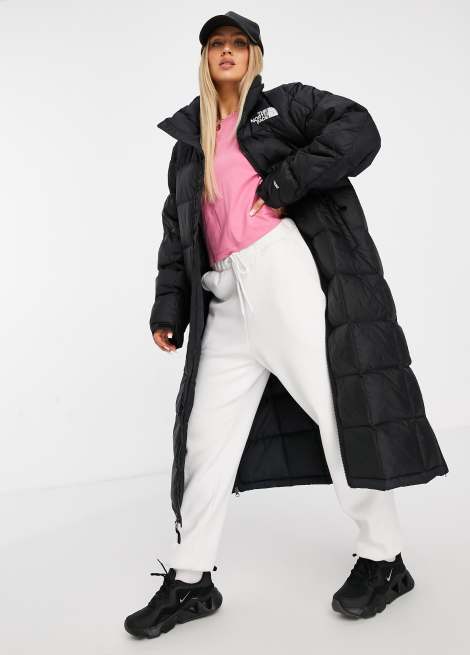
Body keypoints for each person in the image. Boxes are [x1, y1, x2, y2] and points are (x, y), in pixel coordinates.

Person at [124, 10, 447, 639]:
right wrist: (169, 307)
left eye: (238, 43)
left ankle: (384, 559)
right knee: (204, 439)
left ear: (255, 55)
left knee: (338, 411)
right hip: (222, 296)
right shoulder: (189, 144)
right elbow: (176, 232)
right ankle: (191, 579)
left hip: (279, 273)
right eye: (215, 44)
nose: (226, 52)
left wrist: (281, 184)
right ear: (203, 57)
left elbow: (358, 129)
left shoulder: (286, 106)